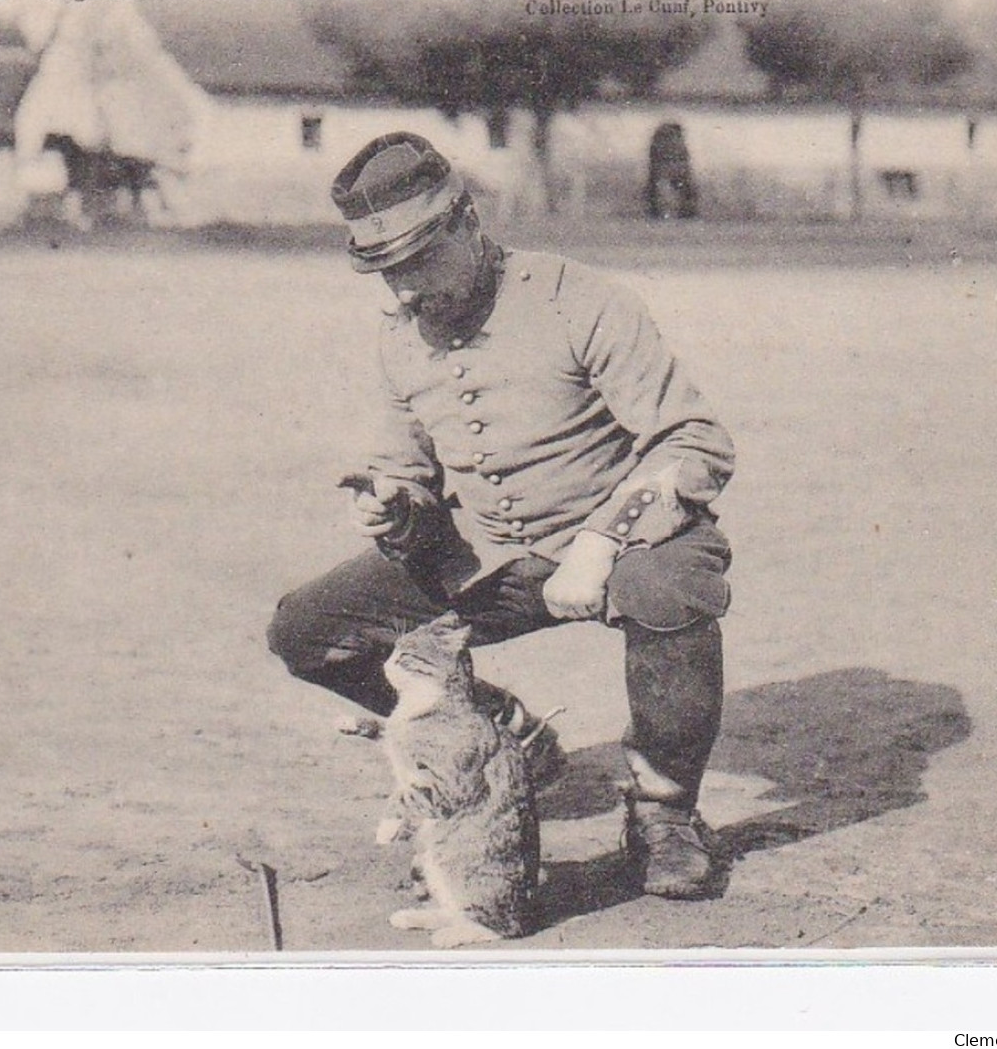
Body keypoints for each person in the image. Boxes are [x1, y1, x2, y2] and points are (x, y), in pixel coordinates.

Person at [266, 132, 736, 899]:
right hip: (486, 555)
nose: (405, 293)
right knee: (305, 631)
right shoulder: (399, 340)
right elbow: (406, 473)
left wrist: (598, 542)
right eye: (386, 275)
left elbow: (691, 439)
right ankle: (500, 735)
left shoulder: (576, 298)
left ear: (468, 222)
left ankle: (664, 814)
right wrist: (392, 507)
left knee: (672, 588)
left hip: (614, 542)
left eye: (417, 262)